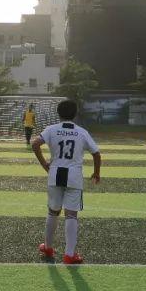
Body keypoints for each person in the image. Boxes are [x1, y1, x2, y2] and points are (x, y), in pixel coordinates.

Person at [32, 99, 102, 265]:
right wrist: (96, 173)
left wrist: (44, 163)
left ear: (58, 113)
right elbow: (96, 154)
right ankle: (69, 255)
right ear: (75, 114)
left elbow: (35, 144)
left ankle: (48, 247)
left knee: (53, 212)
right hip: (73, 177)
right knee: (71, 215)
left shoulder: (51, 129)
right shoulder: (82, 132)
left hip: (55, 174)